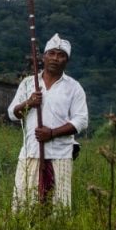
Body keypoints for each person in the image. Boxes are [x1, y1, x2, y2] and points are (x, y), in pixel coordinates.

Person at [8, 34, 89, 211]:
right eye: (51, 53)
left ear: (67, 61)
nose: (55, 58)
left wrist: (52, 133)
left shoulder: (73, 87)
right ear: (43, 57)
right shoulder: (28, 84)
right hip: (31, 152)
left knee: (58, 208)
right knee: (24, 205)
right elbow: (12, 114)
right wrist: (29, 103)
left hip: (60, 155)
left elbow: (81, 120)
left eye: (61, 55)